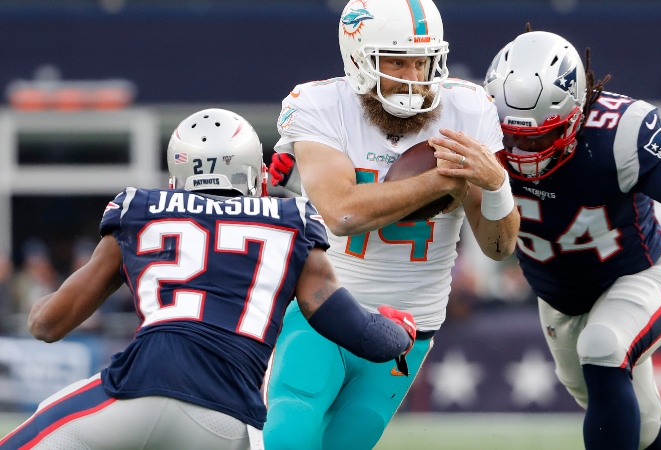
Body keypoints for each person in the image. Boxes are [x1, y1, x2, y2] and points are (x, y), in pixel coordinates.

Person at [0, 108, 417, 450]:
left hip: (136, 392)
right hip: (227, 423)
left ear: (176, 180)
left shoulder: (141, 211)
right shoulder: (292, 223)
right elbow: (358, 331)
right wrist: (398, 330)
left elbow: (46, 324)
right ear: (256, 175)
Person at [483, 29, 661, 450]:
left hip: (640, 274)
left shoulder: (618, 134)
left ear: (576, 114)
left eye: (540, 136)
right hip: (558, 299)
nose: (523, 150)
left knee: (603, 347)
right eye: (512, 135)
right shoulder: (475, 130)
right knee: (646, 427)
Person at [262, 0, 520, 448]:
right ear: (359, 60)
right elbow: (342, 213)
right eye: (396, 62)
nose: (413, 78)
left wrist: (496, 184)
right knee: (290, 433)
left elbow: (499, 247)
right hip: (323, 307)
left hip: (410, 326)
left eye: (421, 62)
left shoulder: (469, 109)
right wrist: (441, 180)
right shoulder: (324, 105)